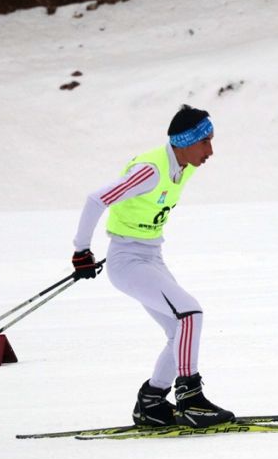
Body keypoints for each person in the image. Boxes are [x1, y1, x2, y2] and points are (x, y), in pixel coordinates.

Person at [70, 104, 234, 428]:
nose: (211, 151)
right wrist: (81, 251)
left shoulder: (183, 166)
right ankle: (191, 400)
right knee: (191, 313)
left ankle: (151, 402)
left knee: (179, 330)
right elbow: (96, 199)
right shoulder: (151, 170)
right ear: (186, 141)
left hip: (151, 257)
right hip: (128, 261)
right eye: (206, 142)